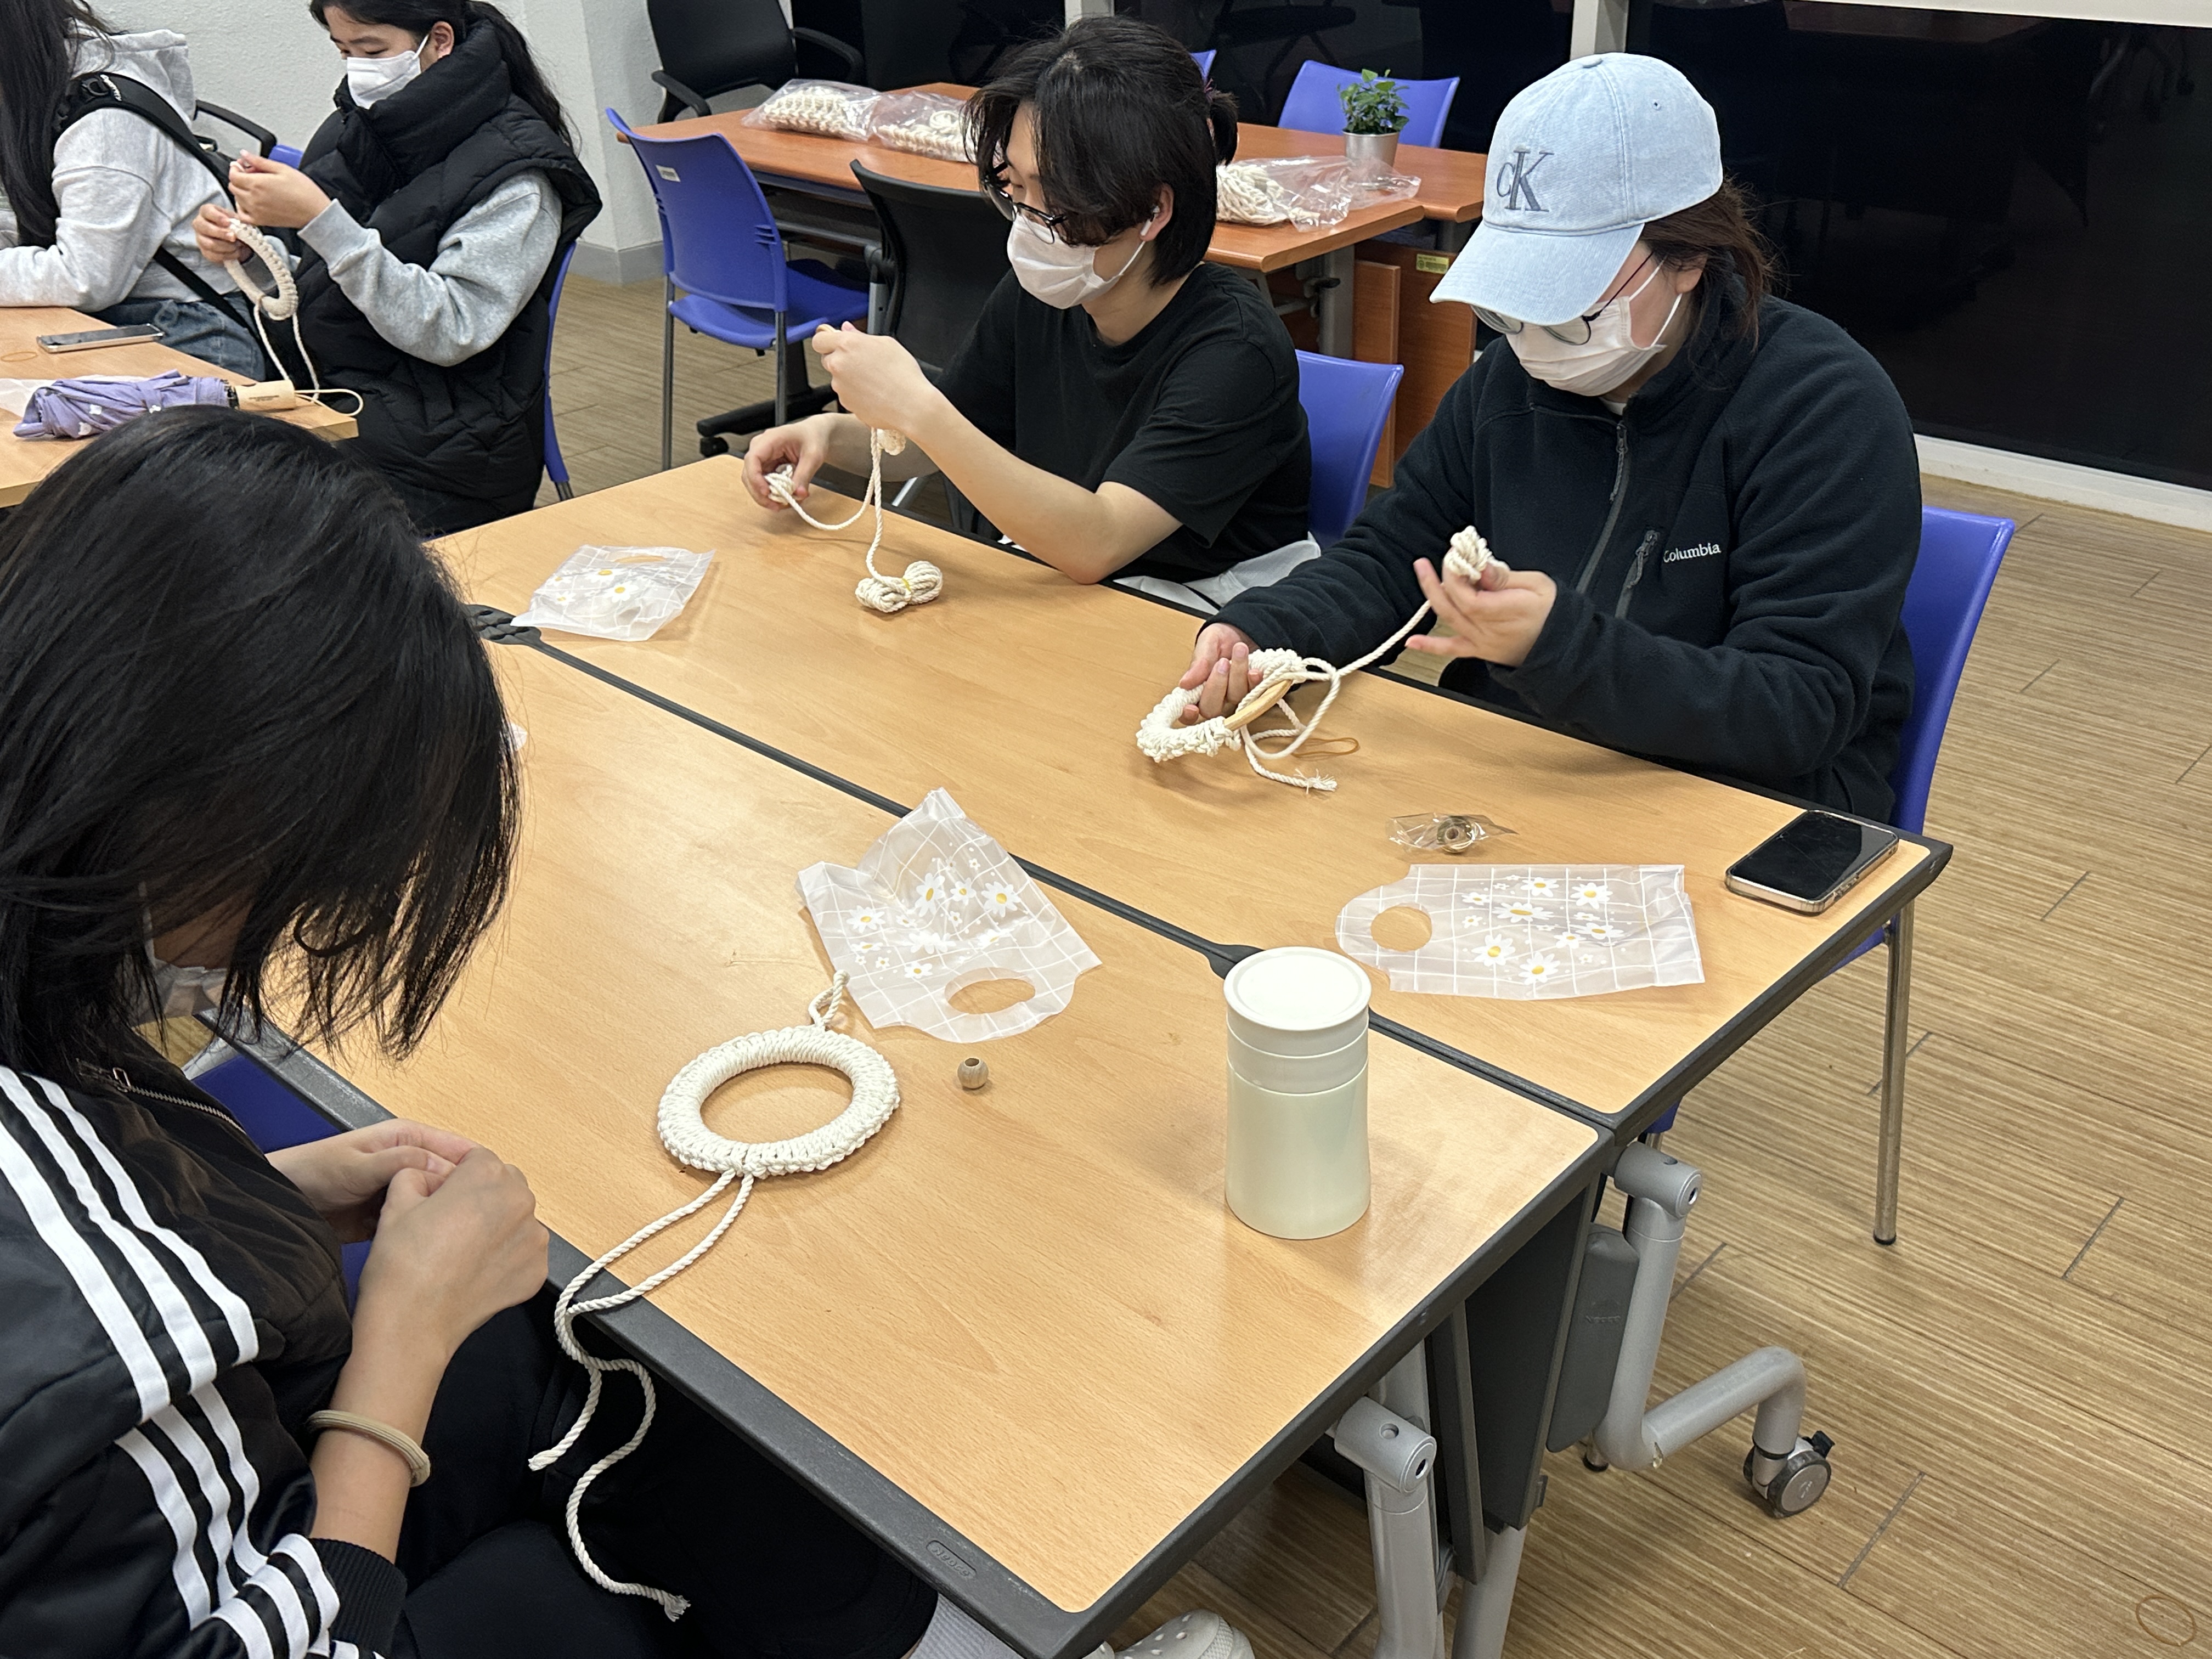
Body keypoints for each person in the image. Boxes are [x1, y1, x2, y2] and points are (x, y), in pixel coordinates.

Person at [0, 409, 1254, 1659]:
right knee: (581, 1575)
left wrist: (261, 1198)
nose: (290, 931)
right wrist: (397, 1360)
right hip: (269, 1597)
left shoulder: (42, 977)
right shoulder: (65, 1284)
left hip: (210, 1472)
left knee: (609, 1348)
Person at [1178, 54, 1921, 817]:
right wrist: (1264, 629)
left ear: (1692, 256)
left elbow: (1798, 706)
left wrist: (1563, 647)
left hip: (1744, 799)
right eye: (1512, 305)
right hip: (1530, 764)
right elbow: (1392, 557)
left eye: (1570, 307)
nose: (1534, 338)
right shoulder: (1507, 386)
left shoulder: (1822, 407)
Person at [741, 16, 1313, 606]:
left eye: (1054, 196)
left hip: (1207, 609)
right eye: (1014, 187)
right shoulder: (1044, 295)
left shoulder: (1236, 350)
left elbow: (1100, 541)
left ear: (1152, 210)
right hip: (1076, 576)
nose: (1028, 224)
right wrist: (826, 434)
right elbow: (941, 440)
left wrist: (917, 405)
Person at [194, 0, 600, 535]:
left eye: (371, 51)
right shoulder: (361, 126)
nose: (357, 69)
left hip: (445, 448)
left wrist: (322, 223)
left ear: (440, 40)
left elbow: (452, 328)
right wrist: (254, 252)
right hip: (339, 394)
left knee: (223, 525)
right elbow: (325, 276)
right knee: (180, 488)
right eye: (344, 51)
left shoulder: (518, 177)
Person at [0, 0, 266, 375]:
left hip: (189, 331)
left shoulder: (105, 124)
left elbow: (86, 278)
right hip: (111, 319)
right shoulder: (35, 97)